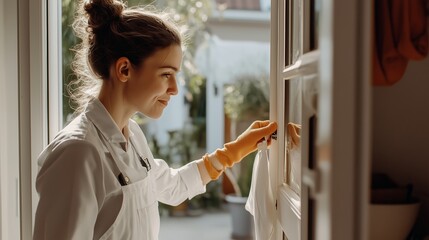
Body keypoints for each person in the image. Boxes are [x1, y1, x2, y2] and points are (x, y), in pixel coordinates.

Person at [33, 0, 277, 239]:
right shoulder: (79, 152)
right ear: (124, 70)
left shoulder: (133, 136)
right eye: (166, 74)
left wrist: (234, 151)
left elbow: (173, 186)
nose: (174, 89)